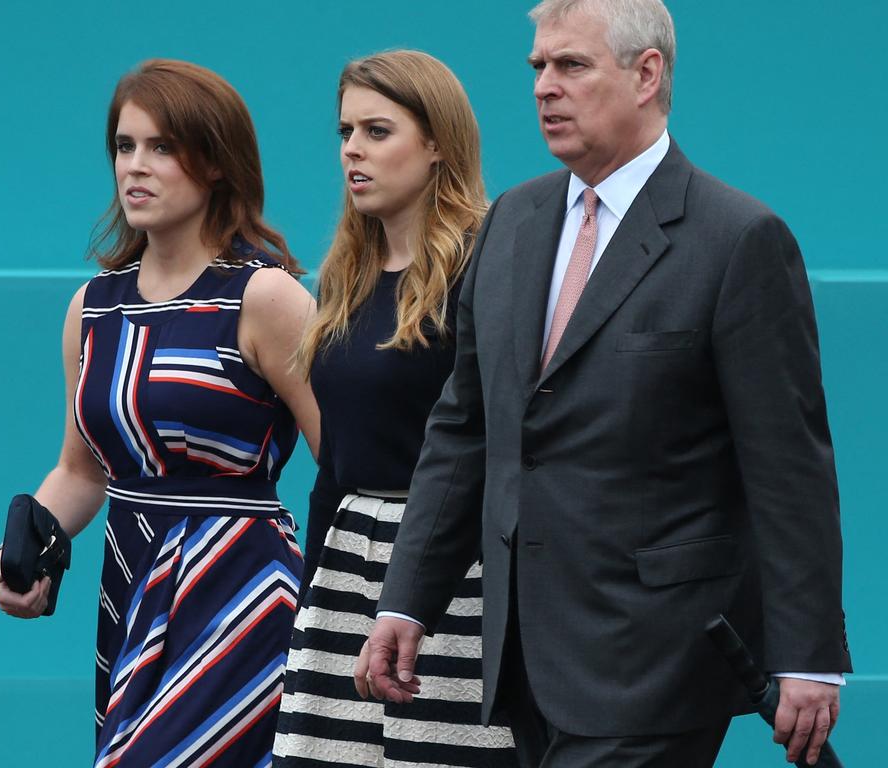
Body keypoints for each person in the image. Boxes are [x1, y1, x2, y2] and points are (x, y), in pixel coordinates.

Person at [358, 2, 852, 767]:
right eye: (537, 68)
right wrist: (407, 600)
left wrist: (809, 655)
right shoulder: (510, 224)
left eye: (571, 66)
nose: (544, 88)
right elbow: (465, 430)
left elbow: (789, 468)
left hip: (660, 658)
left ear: (646, 74)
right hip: (522, 657)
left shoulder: (738, 240)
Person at [0, 59, 320, 767]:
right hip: (130, 578)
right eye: (125, 145)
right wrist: (28, 545)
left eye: (163, 147)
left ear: (217, 164)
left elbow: (347, 457)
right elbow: (80, 471)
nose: (136, 166)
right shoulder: (94, 309)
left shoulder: (265, 298)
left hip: (239, 589)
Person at [273, 50, 517, 767]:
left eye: (378, 131)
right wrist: (310, 601)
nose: (353, 148)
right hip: (347, 566)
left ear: (437, 142)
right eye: (346, 131)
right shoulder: (344, 279)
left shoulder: (490, 265)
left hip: (455, 574)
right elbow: (335, 463)